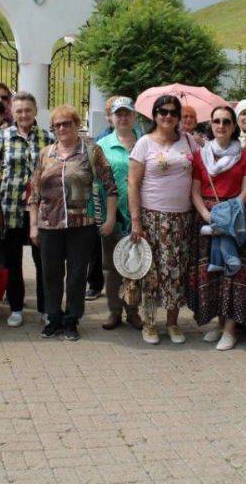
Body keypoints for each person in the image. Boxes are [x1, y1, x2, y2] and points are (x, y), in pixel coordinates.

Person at [29, 105, 117, 341]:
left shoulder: (91, 151)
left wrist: (109, 219)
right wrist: (33, 225)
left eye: (67, 123)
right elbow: (34, 193)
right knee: (50, 274)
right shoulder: (45, 154)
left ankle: (72, 320)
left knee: (77, 274)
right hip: (49, 225)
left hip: (82, 225)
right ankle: (53, 318)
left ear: (76, 124)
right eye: (57, 124)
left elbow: (110, 187)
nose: (62, 128)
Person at [128, 95, 197, 345]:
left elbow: (201, 173)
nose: (168, 116)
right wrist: (136, 221)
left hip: (181, 218)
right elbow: (133, 183)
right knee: (151, 271)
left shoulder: (190, 141)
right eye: (162, 112)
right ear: (155, 115)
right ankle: (149, 323)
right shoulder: (144, 143)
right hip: (151, 217)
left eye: (173, 112)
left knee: (175, 271)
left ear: (179, 117)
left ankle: (172, 322)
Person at [186, 105, 246, 351]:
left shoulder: (244, 155)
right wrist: (207, 216)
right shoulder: (200, 155)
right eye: (217, 121)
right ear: (211, 124)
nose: (221, 126)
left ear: (234, 126)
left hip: (234, 220)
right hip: (206, 219)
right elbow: (194, 190)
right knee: (212, 274)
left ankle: (231, 330)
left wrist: (226, 216)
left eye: (227, 121)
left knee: (233, 273)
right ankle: (219, 323)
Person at [0, 91, 52, 327]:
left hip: (41, 212)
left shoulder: (47, 138)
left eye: (28, 110)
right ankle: (15, 307)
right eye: (19, 111)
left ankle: (46, 308)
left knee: (43, 261)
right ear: (12, 113)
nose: (24, 115)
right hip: (10, 210)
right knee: (12, 262)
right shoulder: (2, 137)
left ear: (35, 112)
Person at [95, 96, 144, 330]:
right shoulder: (102, 145)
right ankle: (114, 311)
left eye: (127, 113)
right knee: (112, 266)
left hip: (140, 215)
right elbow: (95, 183)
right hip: (112, 216)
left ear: (134, 116)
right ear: (111, 118)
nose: (123, 118)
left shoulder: (144, 143)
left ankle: (133, 310)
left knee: (138, 264)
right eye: (119, 114)